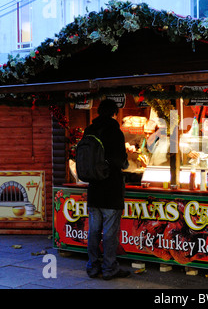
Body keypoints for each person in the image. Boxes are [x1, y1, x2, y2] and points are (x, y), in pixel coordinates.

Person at [84, 99, 130, 280]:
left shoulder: (89, 130)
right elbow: (120, 161)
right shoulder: (115, 132)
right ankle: (110, 268)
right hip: (111, 189)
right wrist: (125, 162)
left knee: (94, 230)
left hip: (94, 188)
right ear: (115, 113)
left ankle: (93, 267)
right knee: (110, 232)